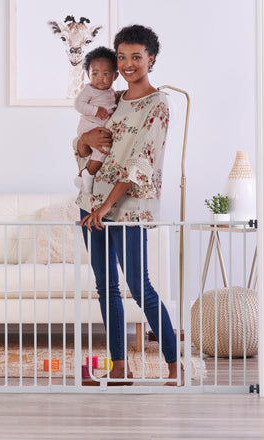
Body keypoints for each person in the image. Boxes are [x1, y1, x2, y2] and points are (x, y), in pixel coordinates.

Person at [75, 24, 182, 386]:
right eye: (121, 57)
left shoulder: (158, 104)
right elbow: (87, 145)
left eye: (136, 56)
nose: (127, 64)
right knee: (106, 287)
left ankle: (175, 367)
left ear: (151, 58)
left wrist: (107, 206)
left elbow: (141, 161)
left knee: (139, 286)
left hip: (127, 207)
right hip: (91, 203)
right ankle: (120, 368)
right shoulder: (114, 99)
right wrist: (83, 139)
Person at [74, 47, 119, 194]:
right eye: (95, 73)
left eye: (106, 73)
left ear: (115, 76)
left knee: (100, 151)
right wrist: (95, 110)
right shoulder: (89, 90)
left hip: (97, 127)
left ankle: (82, 176)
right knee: (103, 149)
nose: (100, 78)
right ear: (88, 75)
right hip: (88, 125)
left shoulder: (111, 92)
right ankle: (88, 174)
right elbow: (78, 104)